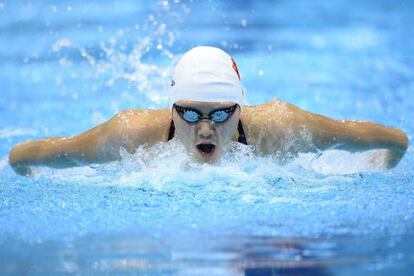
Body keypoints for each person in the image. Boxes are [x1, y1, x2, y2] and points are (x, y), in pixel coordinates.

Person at [9, 46, 408, 176]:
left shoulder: (284, 128)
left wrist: (376, 168)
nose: (204, 128)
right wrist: (20, 170)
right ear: (170, 109)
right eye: (188, 113)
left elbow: (395, 141)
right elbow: (28, 156)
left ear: (240, 107)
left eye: (219, 114)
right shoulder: (129, 134)